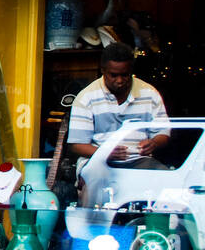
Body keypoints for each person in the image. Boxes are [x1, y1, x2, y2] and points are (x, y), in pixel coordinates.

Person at [68, 41, 170, 170]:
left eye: (125, 75)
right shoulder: (86, 97)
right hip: (98, 161)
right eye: (114, 75)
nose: (120, 80)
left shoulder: (149, 93)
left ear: (131, 70)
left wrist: (154, 143)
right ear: (103, 71)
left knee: (164, 180)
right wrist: (105, 152)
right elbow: (77, 145)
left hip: (140, 161)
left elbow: (163, 133)